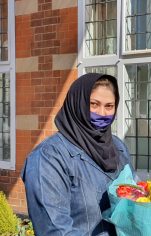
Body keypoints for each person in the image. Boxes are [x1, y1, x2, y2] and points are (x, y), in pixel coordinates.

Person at [21, 73, 132, 235]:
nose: (102, 113)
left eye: (109, 106)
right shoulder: (49, 157)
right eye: (94, 104)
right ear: (77, 103)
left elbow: (134, 203)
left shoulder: (118, 147)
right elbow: (54, 229)